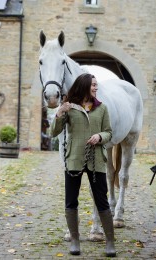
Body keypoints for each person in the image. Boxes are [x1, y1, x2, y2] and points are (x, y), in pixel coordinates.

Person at [50, 73, 116, 257]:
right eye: (93, 85)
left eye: (96, 85)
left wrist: (100, 137)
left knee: (101, 199)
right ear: (84, 86)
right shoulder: (70, 108)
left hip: (96, 159)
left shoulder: (102, 108)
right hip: (74, 158)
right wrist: (60, 112)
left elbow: (109, 132)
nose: (96, 88)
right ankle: (75, 240)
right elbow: (54, 132)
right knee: (71, 200)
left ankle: (110, 241)